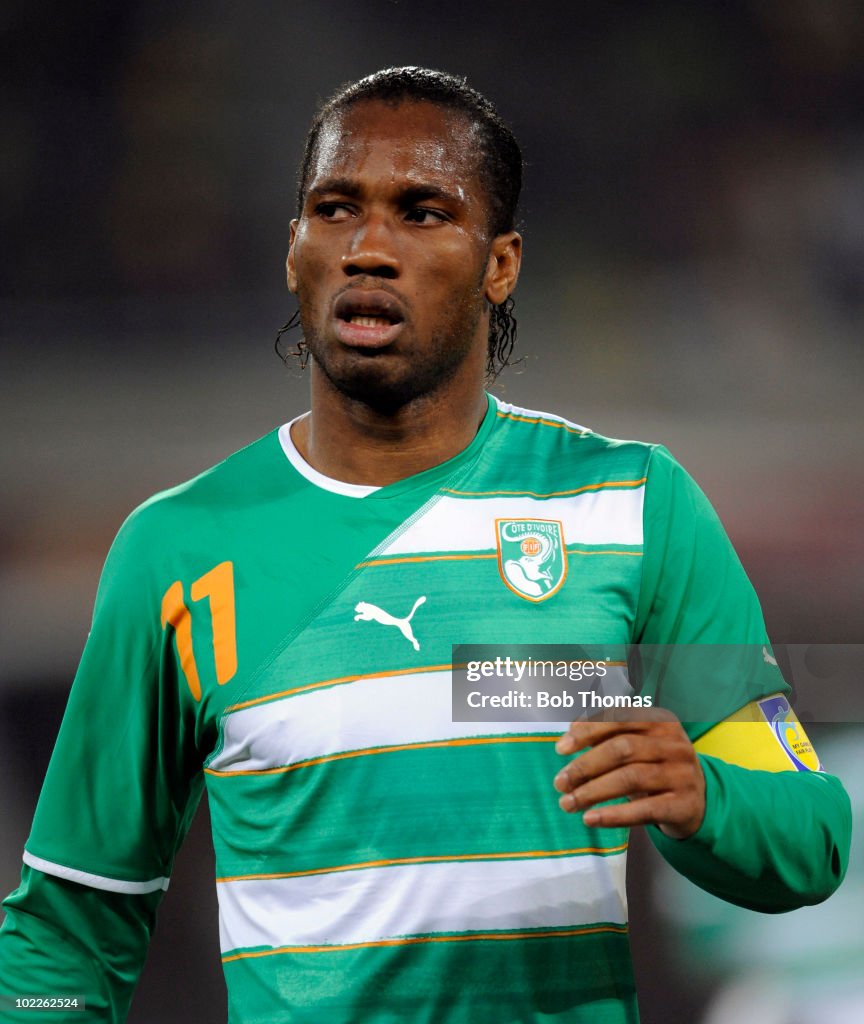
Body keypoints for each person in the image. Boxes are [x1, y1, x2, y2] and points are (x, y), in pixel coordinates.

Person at [0, 66, 851, 1024]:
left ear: (501, 263)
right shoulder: (178, 549)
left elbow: (811, 840)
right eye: (334, 209)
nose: (368, 247)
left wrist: (706, 800)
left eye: (421, 211)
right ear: (293, 252)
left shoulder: (635, 506)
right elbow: (72, 922)